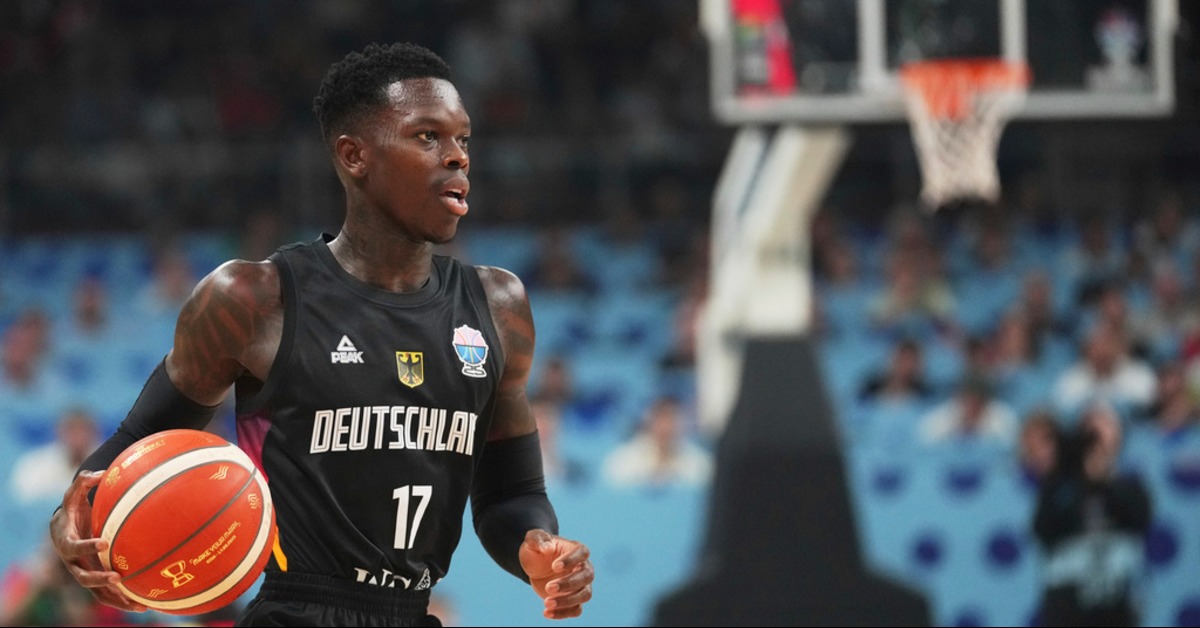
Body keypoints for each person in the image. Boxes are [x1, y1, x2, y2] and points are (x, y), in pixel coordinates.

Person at [49, 42, 594, 627]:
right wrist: (70, 517)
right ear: (354, 156)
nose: (458, 156)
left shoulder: (499, 306)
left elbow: (510, 493)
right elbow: (135, 439)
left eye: (463, 139)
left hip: (414, 611)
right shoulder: (252, 299)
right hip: (293, 612)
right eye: (427, 136)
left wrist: (536, 547)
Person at [1033, 402, 1152, 627]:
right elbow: (1042, 530)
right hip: (1068, 603)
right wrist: (1073, 479)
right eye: (1089, 429)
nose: (1096, 437)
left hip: (1117, 601)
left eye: (1104, 426)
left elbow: (1141, 521)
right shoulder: (1060, 487)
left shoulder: (1131, 485)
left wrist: (1105, 480)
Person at [601, 396, 713, 489]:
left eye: (672, 419)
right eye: (661, 418)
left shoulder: (698, 461)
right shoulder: (622, 459)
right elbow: (613, 487)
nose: (666, 426)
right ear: (649, 421)